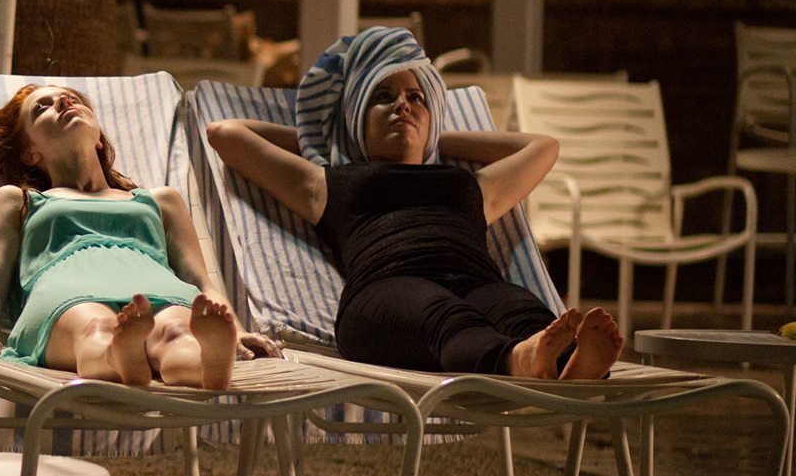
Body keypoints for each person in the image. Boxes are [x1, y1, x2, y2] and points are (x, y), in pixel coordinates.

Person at [205, 26, 621, 380]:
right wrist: (332, 141)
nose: (403, 105)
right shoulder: (332, 181)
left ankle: (570, 362)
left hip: (477, 281)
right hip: (386, 291)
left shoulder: (467, 184)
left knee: (523, 310)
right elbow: (225, 133)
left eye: (416, 98)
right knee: (447, 319)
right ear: (356, 119)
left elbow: (543, 146)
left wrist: (435, 138)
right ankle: (521, 360)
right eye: (383, 97)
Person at [0, 83, 278, 390]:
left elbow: (201, 282)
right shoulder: (20, 200)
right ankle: (116, 355)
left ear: (99, 138)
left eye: (72, 99)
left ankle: (208, 364)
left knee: (178, 331)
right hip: (67, 295)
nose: (64, 102)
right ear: (30, 152)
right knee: (96, 328)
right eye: (42, 108)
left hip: (158, 290)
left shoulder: (161, 200)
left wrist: (236, 331)